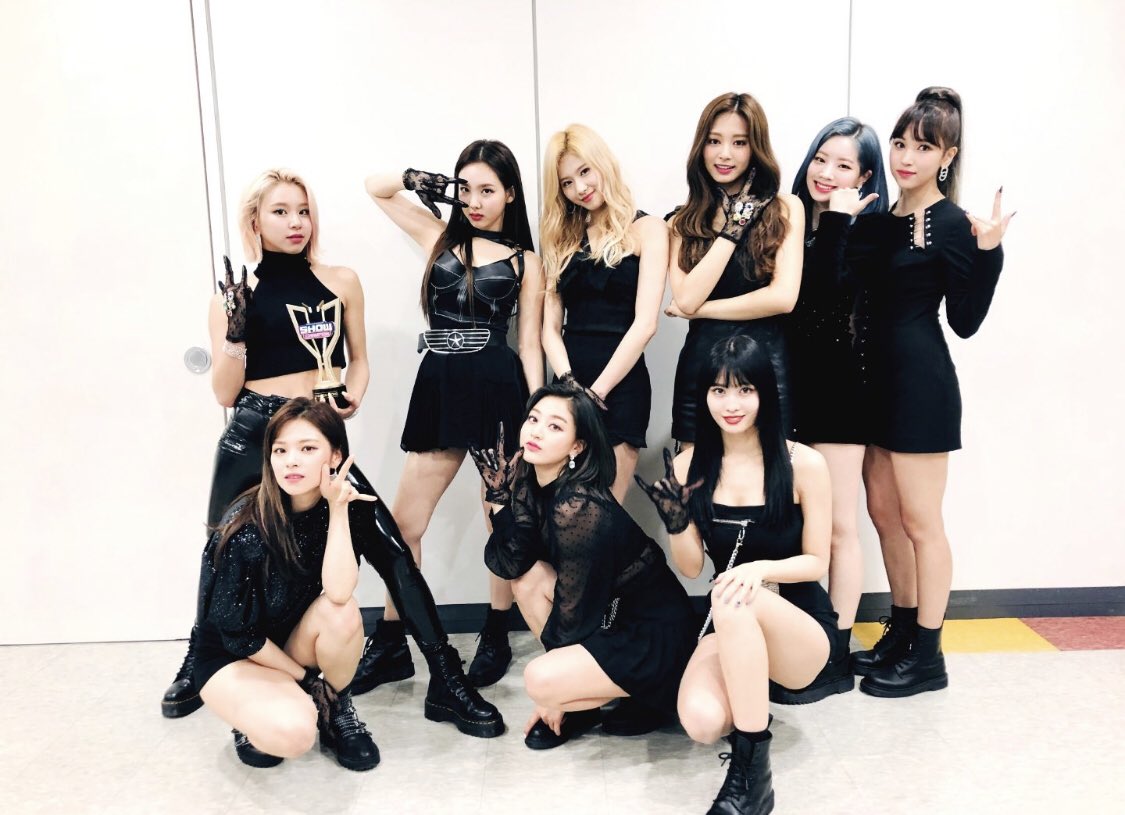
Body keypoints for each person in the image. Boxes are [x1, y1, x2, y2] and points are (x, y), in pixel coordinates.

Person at [162, 169, 502, 741]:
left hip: (317, 437)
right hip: (253, 434)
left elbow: (359, 359)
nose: (296, 222)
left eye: (303, 210)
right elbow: (224, 393)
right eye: (280, 212)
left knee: (391, 548)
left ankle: (446, 676)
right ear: (254, 221)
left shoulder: (341, 281)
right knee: (219, 546)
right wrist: (236, 335)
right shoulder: (233, 298)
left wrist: (354, 395)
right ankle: (201, 656)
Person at [809, 88, 1010, 697]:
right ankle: (901, 629)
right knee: (885, 517)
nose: (906, 156)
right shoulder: (878, 219)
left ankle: (928, 654)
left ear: (947, 156)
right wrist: (840, 220)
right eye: (900, 143)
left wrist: (990, 253)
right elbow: (834, 290)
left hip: (921, 387)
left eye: (923, 147)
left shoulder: (952, 224)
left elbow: (965, 322)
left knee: (922, 523)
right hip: (872, 388)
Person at [363, 141, 544, 690]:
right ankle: (391, 641)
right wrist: (421, 180)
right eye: (466, 189)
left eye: (488, 190)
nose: (475, 201)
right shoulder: (439, 236)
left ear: (510, 194)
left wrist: (537, 414)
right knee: (403, 526)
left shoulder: (526, 261)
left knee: (499, 520)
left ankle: (496, 632)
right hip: (440, 386)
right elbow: (375, 189)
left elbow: (529, 343)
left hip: (498, 389)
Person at [636, 336, 833, 815]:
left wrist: (758, 570)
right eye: (719, 390)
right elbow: (691, 568)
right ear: (704, 396)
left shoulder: (804, 463)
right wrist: (676, 522)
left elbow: (817, 562)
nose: (731, 404)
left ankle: (752, 774)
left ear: (765, 393)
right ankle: (750, 703)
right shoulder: (688, 465)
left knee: (732, 596)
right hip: (728, 619)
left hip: (798, 627)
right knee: (701, 722)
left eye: (745, 390)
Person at [472, 384, 697, 750]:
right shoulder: (530, 482)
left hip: (653, 633)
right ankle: (583, 700)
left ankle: (632, 694)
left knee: (540, 679)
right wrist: (498, 498)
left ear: (576, 446)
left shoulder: (577, 505)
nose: (536, 431)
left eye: (555, 426)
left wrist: (555, 696)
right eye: (533, 419)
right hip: (611, 615)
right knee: (526, 580)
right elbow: (512, 562)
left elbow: (573, 616)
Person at [195, 398, 380, 770]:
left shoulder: (343, 506)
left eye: (307, 449)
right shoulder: (247, 528)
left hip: (287, 640)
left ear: (335, 455)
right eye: (280, 450)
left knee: (342, 612)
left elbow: (339, 591)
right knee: (292, 735)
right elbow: (240, 637)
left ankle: (337, 707)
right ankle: (256, 712)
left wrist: (339, 510)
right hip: (233, 655)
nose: (291, 461)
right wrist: (309, 680)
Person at [776, 117, 889, 703]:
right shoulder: (792, 222)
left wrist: (841, 220)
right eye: (821, 159)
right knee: (797, 527)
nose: (826, 173)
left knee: (841, 526)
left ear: (865, 178)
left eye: (844, 165)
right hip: (790, 389)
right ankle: (800, 645)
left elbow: (822, 299)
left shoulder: (866, 233)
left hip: (842, 393)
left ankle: (836, 654)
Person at [665, 92, 804, 447]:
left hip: (767, 367)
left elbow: (783, 298)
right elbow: (687, 298)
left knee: (769, 476)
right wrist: (734, 227)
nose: (724, 154)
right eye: (714, 141)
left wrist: (702, 311)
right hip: (702, 369)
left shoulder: (786, 208)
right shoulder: (680, 221)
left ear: (756, 148)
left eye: (739, 142)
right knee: (697, 477)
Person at [540, 124, 668, 500]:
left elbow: (646, 324)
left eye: (585, 171)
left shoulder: (648, 229)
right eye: (567, 183)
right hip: (567, 385)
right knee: (559, 510)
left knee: (603, 512)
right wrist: (570, 385)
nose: (579, 188)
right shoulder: (561, 237)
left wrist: (596, 394)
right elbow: (550, 329)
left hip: (621, 388)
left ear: (603, 164)